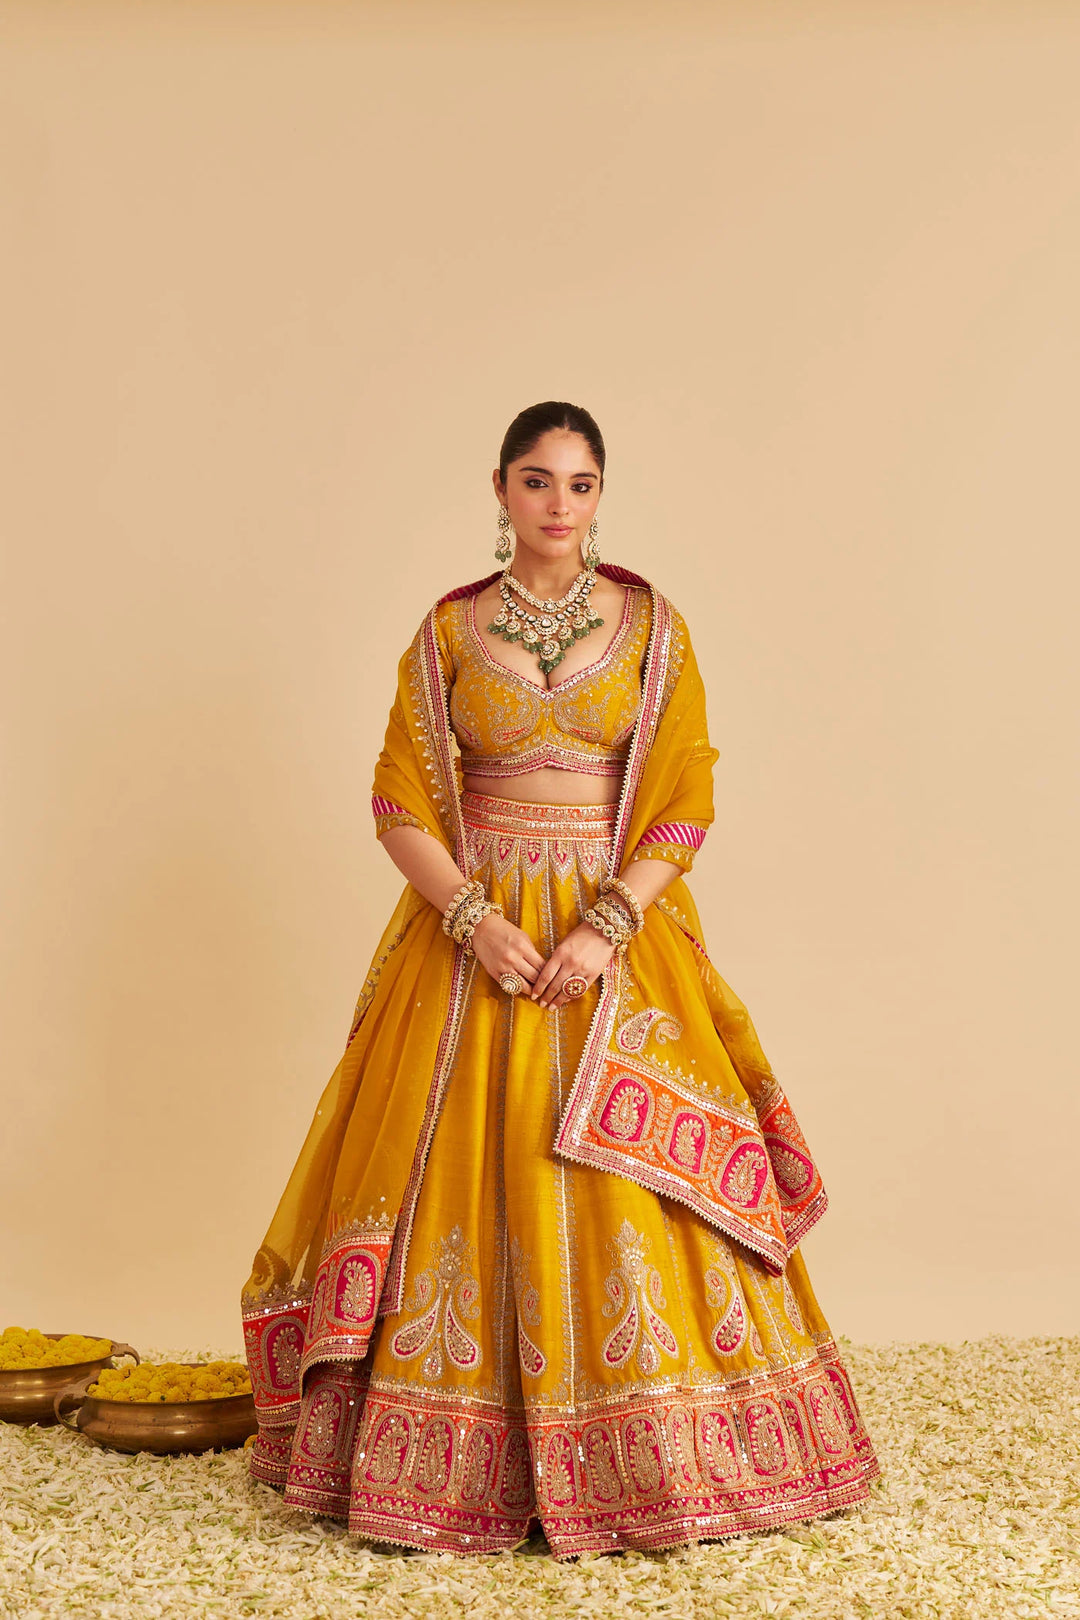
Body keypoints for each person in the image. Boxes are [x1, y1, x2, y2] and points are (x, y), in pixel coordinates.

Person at [240, 401, 881, 1559]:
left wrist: (608, 923)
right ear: (499, 490)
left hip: (613, 932)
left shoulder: (654, 628)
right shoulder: (446, 634)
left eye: (579, 485)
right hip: (473, 936)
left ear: (600, 496)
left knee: (629, 1204)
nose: (557, 505)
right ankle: (436, 1468)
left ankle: (659, 1463)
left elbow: (684, 798)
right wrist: (475, 920)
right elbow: (399, 801)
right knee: (458, 1168)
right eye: (536, 482)